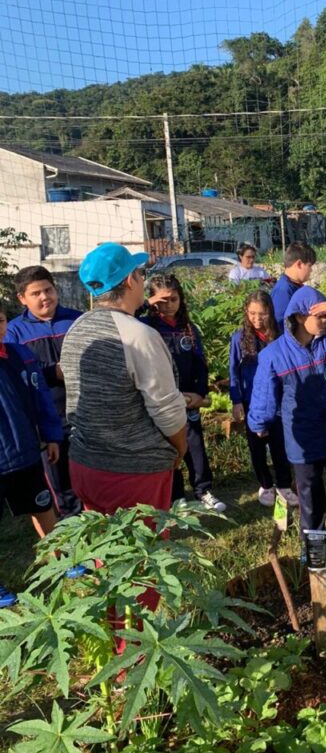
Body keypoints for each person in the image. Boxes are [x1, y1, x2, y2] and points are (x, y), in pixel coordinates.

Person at [60, 242, 188, 517]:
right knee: (141, 552)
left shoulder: (76, 329)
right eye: (140, 274)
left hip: (85, 463)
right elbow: (167, 410)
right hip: (133, 470)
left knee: (104, 549)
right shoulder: (138, 335)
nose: (142, 280)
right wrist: (179, 448)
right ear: (131, 280)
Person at [248, 286, 326, 534]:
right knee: (312, 502)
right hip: (304, 441)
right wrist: (259, 423)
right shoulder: (275, 354)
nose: (325, 321)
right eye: (319, 316)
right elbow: (263, 393)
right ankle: (316, 557)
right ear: (300, 317)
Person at [144, 273, 226, 513]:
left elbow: (201, 364)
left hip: (190, 401)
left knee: (195, 446)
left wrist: (199, 394)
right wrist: (148, 303)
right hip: (163, 401)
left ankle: (204, 490)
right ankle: (177, 497)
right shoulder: (147, 327)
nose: (168, 305)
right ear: (152, 301)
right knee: (170, 449)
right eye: (162, 300)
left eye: (173, 299)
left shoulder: (188, 328)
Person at [5, 265, 82, 518]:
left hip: (85, 410)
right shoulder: (14, 331)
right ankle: (69, 532)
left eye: (48, 290)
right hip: (50, 417)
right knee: (60, 482)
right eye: (36, 293)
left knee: (89, 472)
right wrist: (52, 372)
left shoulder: (76, 319)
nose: (44, 297)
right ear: (22, 299)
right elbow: (16, 376)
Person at [0, 300, 63, 607]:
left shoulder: (20, 356)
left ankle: (61, 561)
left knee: (44, 508)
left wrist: (51, 436)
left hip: (25, 453)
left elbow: (42, 400)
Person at [229, 290, 298, 508]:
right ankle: (265, 484)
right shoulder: (239, 339)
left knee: (280, 444)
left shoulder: (279, 335)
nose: (257, 319)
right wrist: (236, 400)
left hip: (278, 399)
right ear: (246, 313)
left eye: (262, 314)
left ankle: (284, 484)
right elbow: (233, 372)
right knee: (256, 446)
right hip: (252, 402)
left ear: (270, 312)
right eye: (252, 313)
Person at [270, 242, 317, 327]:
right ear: (299, 264)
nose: (311, 270)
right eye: (309, 266)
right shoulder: (283, 291)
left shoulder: (293, 286)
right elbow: (282, 325)